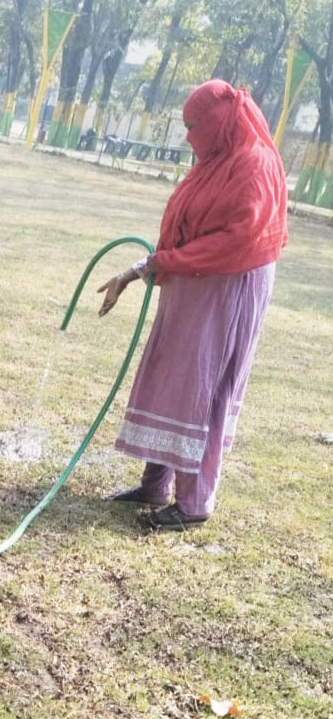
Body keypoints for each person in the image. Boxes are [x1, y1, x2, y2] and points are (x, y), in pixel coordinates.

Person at [96, 79, 288, 531]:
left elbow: (234, 242)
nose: (188, 136)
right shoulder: (213, 162)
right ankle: (154, 484)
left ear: (219, 122)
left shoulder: (254, 164)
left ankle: (194, 503)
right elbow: (184, 225)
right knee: (175, 378)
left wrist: (160, 263)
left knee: (205, 386)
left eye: (193, 125)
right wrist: (139, 270)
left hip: (226, 290)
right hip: (192, 287)